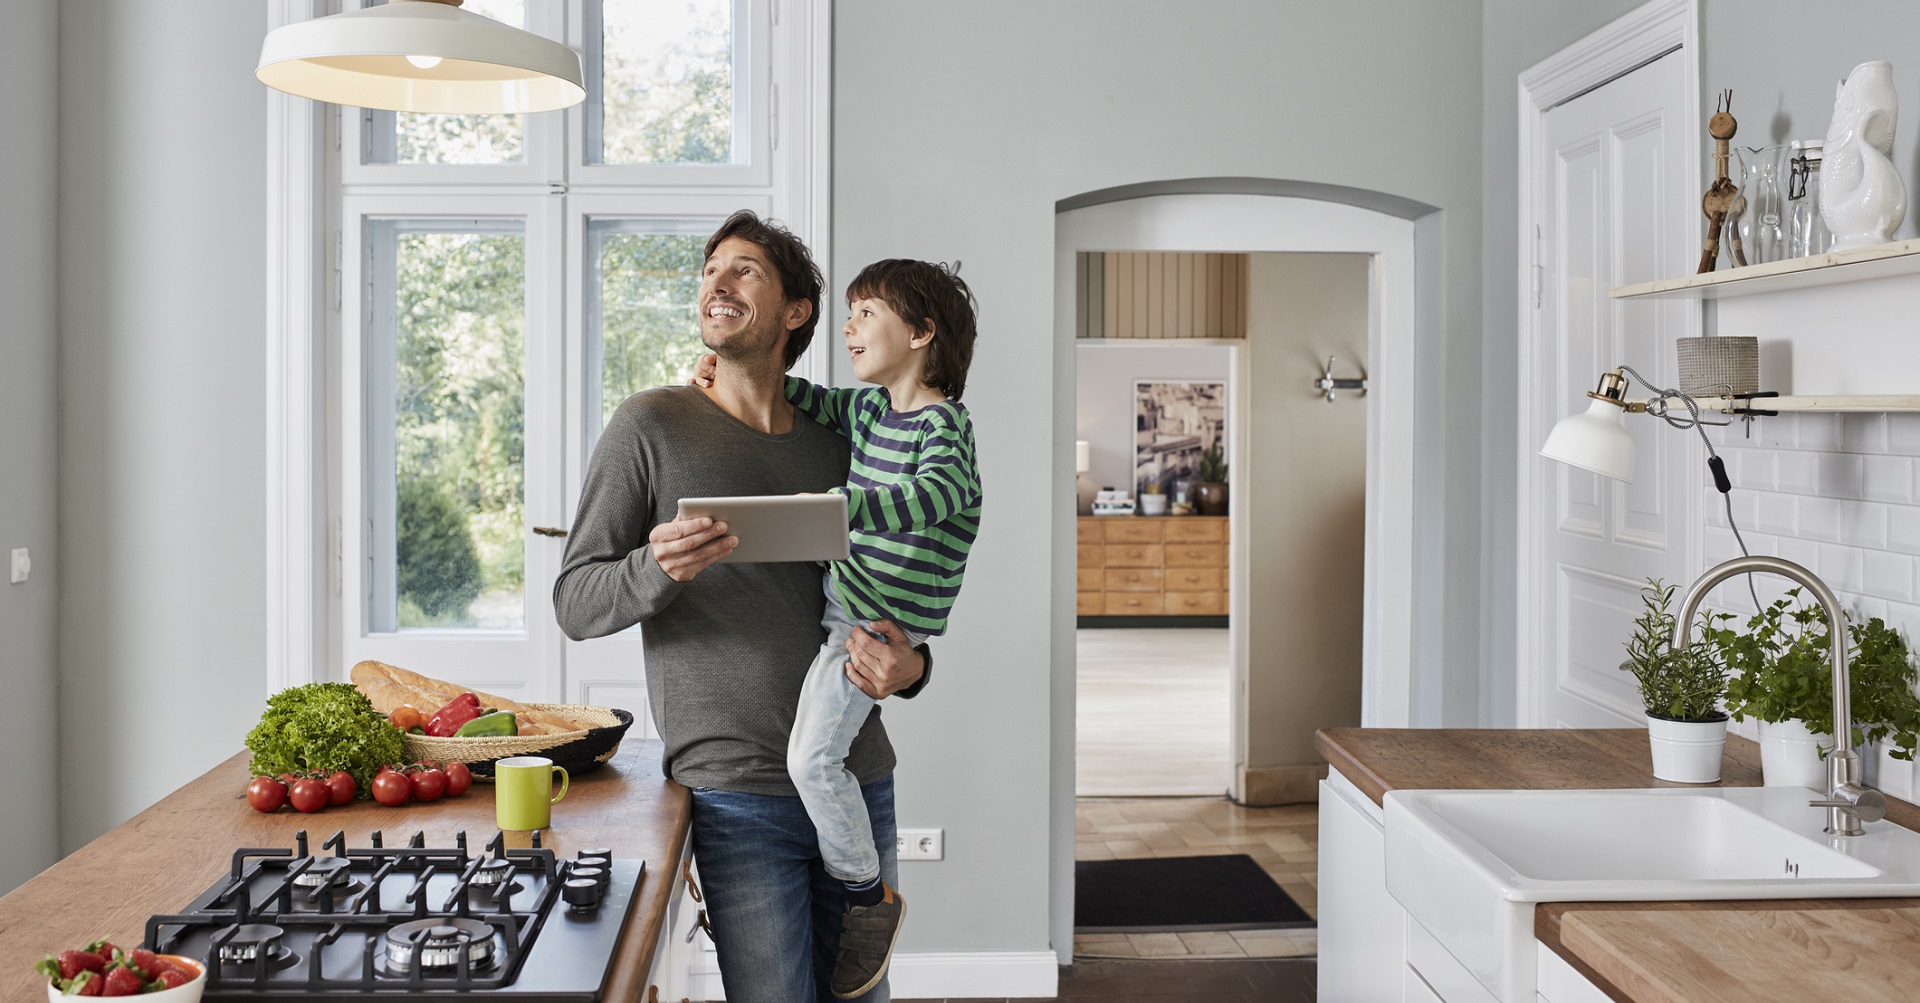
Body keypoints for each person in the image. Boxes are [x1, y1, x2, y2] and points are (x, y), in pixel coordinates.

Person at [552, 210, 932, 1003]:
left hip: (857, 780)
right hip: (733, 797)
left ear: (796, 312)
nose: (716, 283)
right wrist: (655, 567)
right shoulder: (650, 424)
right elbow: (576, 602)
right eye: (709, 269)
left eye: (745, 269)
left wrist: (915, 665)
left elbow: (900, 580)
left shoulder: (843, 441)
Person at [692, 258, 983, 997]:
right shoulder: (869, 412)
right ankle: (863, 890)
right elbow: (807, 396)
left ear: (922, 333)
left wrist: (841, 512)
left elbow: (939, 494)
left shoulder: (944, 427)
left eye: (866, 314)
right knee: (814, 760)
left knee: (812, 764)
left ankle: (865, 897)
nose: (848, 328)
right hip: (848, 619)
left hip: (863, 633)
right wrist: (721, 374)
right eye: (847, 313)